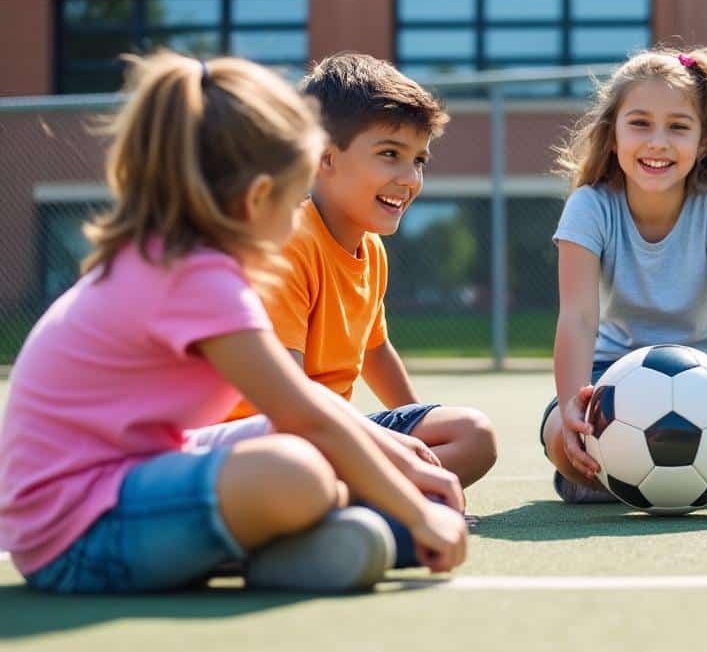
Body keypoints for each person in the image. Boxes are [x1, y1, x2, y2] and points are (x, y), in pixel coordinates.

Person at [0, 53, 467, 594]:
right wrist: (415, 510)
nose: (301, 218)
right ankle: (288, 541)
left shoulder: (187, 261)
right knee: (296, 471)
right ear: (257, 198)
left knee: (323, 451)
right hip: (72, 536)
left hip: (136, 478)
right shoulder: (194, 275)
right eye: (296, 200)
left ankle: (290, 545)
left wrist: (397, 455)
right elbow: (301, 410)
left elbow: (301, 411)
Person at [213, 53, 497, 493]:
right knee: (303, 474)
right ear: (324, 157)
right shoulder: (290, 245)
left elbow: (376, 349)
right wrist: (393, 454)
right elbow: (287, 394)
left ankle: (372, 493)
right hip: (278, 435)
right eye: (390, 154)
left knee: (474, 436)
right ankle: (382, 496)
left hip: (333, 430)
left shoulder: (372, 249)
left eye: (419, 160)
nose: (410, 178)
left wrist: (413, 437)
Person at [544, 46, 707, 504]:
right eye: (639, 124)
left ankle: (638, 481)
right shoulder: (590, 206)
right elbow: (577, 317)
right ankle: (630, 475)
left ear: (705, 141)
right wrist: (573, 410)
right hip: (607, 375)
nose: (658, 142)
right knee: (563, 443)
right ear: (612, 135)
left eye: (678, 127)